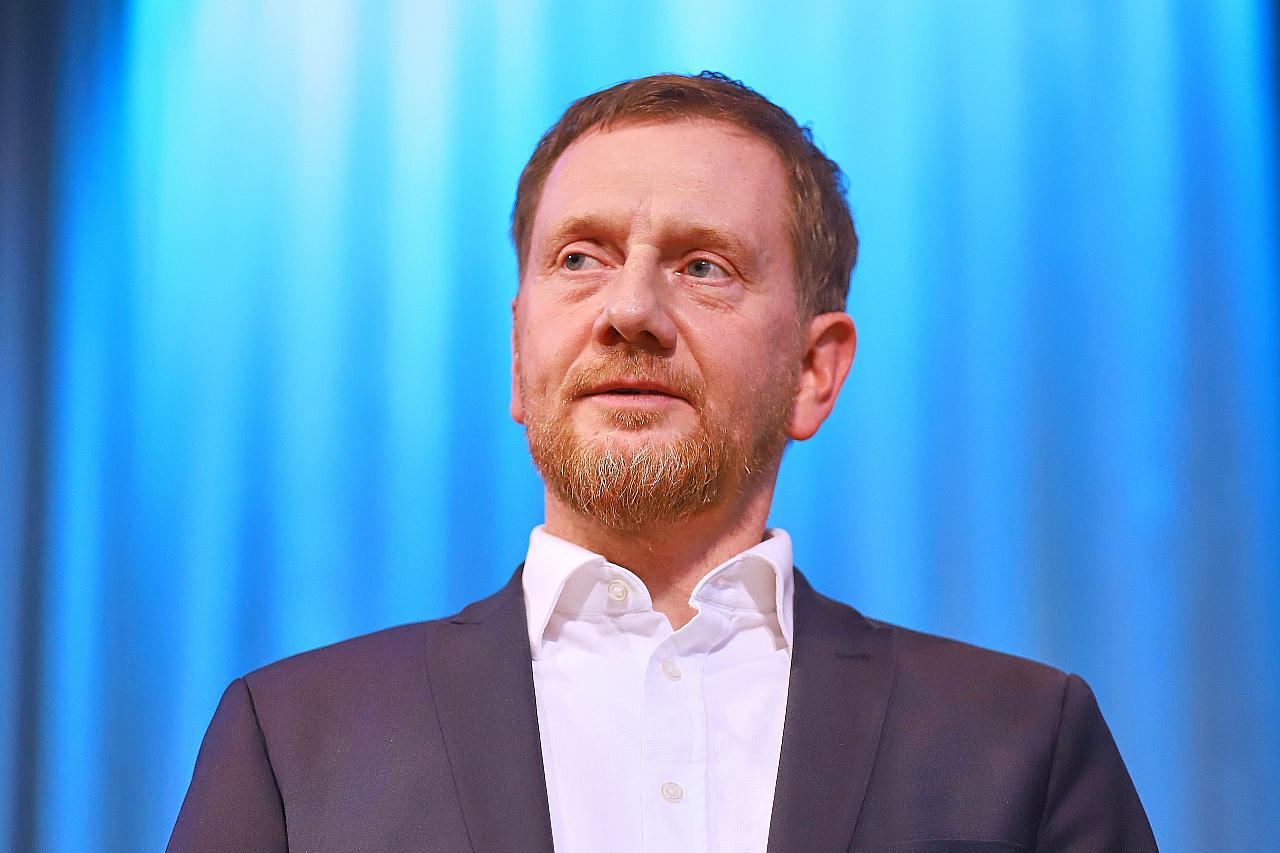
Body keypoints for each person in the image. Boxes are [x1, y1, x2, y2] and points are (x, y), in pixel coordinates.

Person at [167, 72, 1157, 853]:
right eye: (579, 259)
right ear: (518, 355)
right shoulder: (292, 739)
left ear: (814, 371)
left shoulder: (1023, 741)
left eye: (702, 267)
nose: (630, 310)